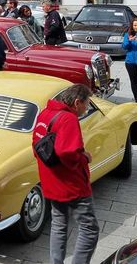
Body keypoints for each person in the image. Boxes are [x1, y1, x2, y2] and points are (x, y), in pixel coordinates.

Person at [32, 84, 100, 264]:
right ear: (77, 102)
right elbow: (66, 152)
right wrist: (83, 157)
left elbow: (36, 146)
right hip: (72, 184)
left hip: (51, 181)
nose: (86, 109)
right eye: (86, 104)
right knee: (89, 229)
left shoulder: (45, 114)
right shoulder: (68, 119)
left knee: (59, 225)